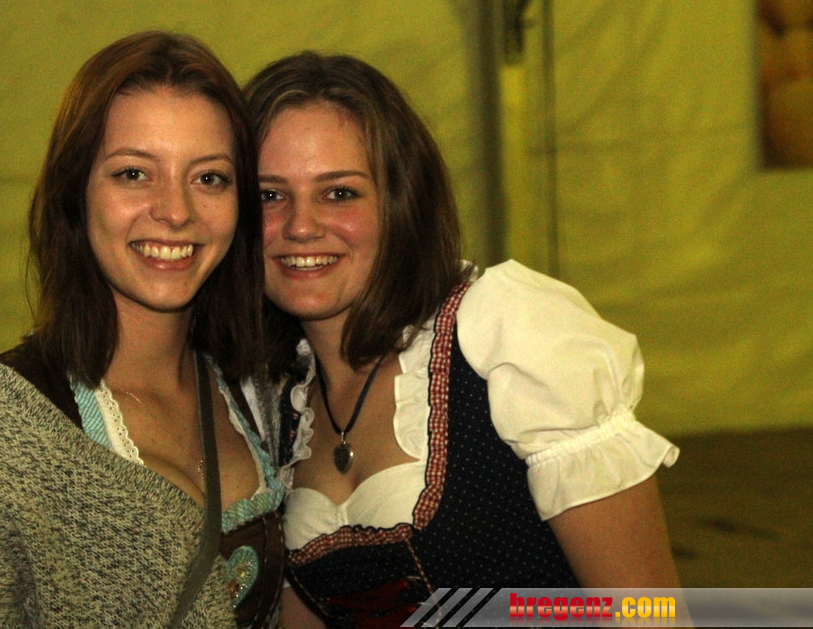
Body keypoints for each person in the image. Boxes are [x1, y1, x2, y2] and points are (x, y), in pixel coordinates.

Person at [244, 52, 682, 628]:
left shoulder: (505, 335)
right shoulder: (271, 406)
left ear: (401, 202)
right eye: (269, 195)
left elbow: (647, 615)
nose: (301, 226)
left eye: (339, 193)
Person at [0, 31, 286, 628]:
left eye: (209, 178)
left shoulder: (259, 394)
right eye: (134, 173)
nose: (175, 211)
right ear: (75, 191)